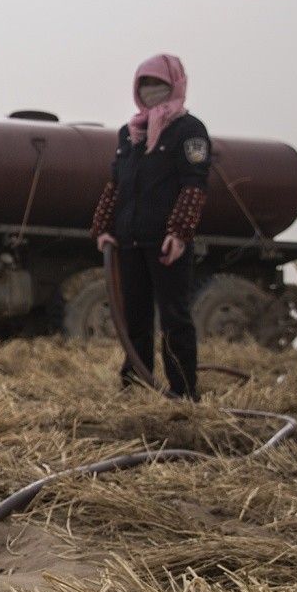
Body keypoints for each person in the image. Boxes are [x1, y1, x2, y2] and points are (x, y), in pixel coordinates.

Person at [90, 53, 210, 399]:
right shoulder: (130, 135)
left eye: (158, 84)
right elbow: (116, 185)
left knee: (174, 317)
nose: (151, 91)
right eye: (145, 84)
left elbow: (194, 184)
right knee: (135, 318)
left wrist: (179, 233)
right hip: (129, 241)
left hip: (164, 242)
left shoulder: (189, 130)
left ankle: (183, 391)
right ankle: (136, 386)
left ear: (175, 85)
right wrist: (103, 228)